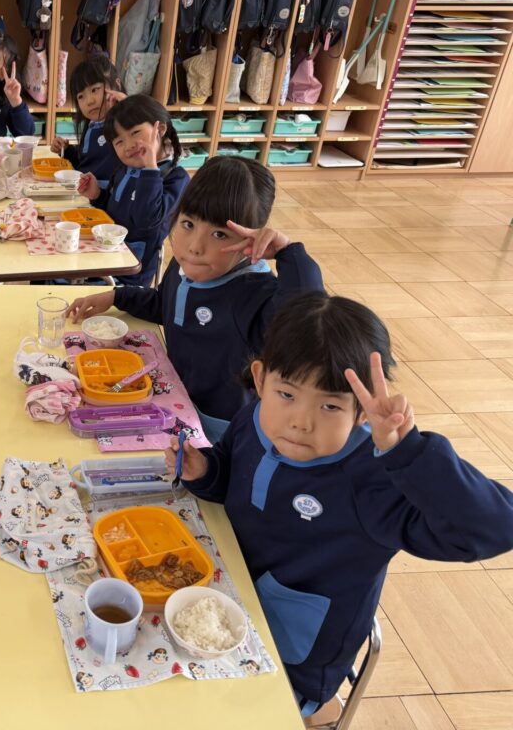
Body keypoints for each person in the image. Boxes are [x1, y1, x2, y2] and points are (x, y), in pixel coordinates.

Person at [170, 292, 513, 723]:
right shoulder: (256, 420)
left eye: (330, 405)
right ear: (260, 379)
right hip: (220, 605)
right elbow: (232, 478)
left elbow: (496, 527)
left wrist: (408, 453)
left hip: (292, 661)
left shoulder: (375, 478)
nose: (301, 420)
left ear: (362, 412)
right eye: (286, 393)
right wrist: (205, 471)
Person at [68, 156, 324, 441]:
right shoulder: (186, 267)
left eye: (219, 234)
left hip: (219, 432)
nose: (195, 247)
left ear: (250, 240)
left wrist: (290, 254)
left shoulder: (255, 293)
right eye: (188, 224)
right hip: (173, 403)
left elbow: (308, 330)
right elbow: (165, 305)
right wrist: (117, 296)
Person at [77, 94, 189, 286]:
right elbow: (115, 213)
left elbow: (147, 220)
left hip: (129, 275)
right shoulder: (124, 170)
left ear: (160, 129)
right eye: (119, 142)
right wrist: (98, 195)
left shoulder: (176, 178)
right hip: (104, 255)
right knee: (49, 274)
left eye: (135, 132)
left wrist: (151, 169)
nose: (129, 145)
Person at [50, 55, 124, 188]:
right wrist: (66, 150)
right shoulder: (92, 126)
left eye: (94, 90)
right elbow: (86, 163)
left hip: (105, 195)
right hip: (83, 190)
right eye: (81, 96)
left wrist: (127, 105)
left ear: (116, 86)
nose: (89, 101)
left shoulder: (125, 124)